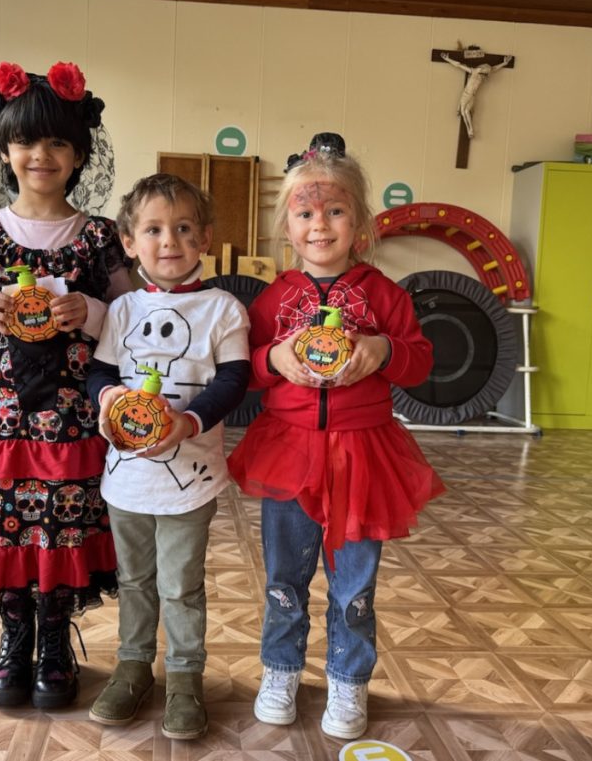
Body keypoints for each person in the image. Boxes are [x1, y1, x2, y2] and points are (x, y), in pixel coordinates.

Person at [227, 132, 445, 740]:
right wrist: (274, 358)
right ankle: (280, 671)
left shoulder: (385, 295)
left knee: (355, 584)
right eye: (304, 213)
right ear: (287, 227)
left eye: (335, 210)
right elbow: (244, 370)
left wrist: (384, 349)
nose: (319, 224)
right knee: (284, 578)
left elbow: (420, 364)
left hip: (363, 455)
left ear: (360, 222)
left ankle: (349, 681)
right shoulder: (274, 298)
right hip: (288, 452)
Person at [0, 60, 132, 710]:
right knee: (5, 530)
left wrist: (91, 312)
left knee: (62, 531)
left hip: (73, 427)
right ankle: (14, 643)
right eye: (24, 141)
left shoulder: (99, 237)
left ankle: (54, 646)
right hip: (3, 428)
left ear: (79, 155)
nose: (40, 155)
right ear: (4, 150)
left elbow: (135, 320)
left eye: (56, 142)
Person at [86, 173, 251, 740]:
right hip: (125, 480)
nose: (169, 241)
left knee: (180, 585)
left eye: (183, 228)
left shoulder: (223, 309)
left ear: (204, 238)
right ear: (129, 242)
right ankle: (132, 668)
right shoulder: (122, 309)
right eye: (154, 230)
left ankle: (184, 677)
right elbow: (100, 372)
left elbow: (233, 380)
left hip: (191, 481)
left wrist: (187, 422)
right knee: (134, 580)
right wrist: (109, 397)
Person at [440, 52, 512, 138]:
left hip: (473, 96)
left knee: (466, 111)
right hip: (466, 94)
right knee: (464, 112)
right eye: (485, 69)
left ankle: (470, 130)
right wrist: (447, 59)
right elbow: (458, 65)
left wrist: (504, 63)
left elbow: (494, 68)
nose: (486, 71)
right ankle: (469, 130)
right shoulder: (473, 71)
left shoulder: (483, 76)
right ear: (482, 68)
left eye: (486, 71)